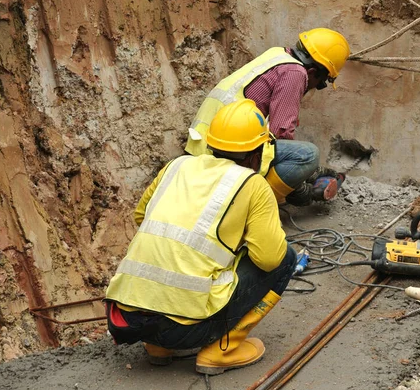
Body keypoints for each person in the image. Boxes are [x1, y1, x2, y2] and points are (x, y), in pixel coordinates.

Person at [104, 99, 298, 375]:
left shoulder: (176, 166)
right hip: (184, 331)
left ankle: (158, 348)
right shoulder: (253, 184)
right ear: (257, 152)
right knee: (285, 258)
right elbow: (269, 259)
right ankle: (222, 351)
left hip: (124, 320)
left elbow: (141, 217)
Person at [185, 28, 351, 206]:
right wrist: (298, 186)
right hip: (222, 151)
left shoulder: (277, 54)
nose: (314, 88)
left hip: (201, 147)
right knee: (308, 155)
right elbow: (280, 132)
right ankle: (253, 204)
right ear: (312, 72)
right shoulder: (295, 73)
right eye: (321, 84)